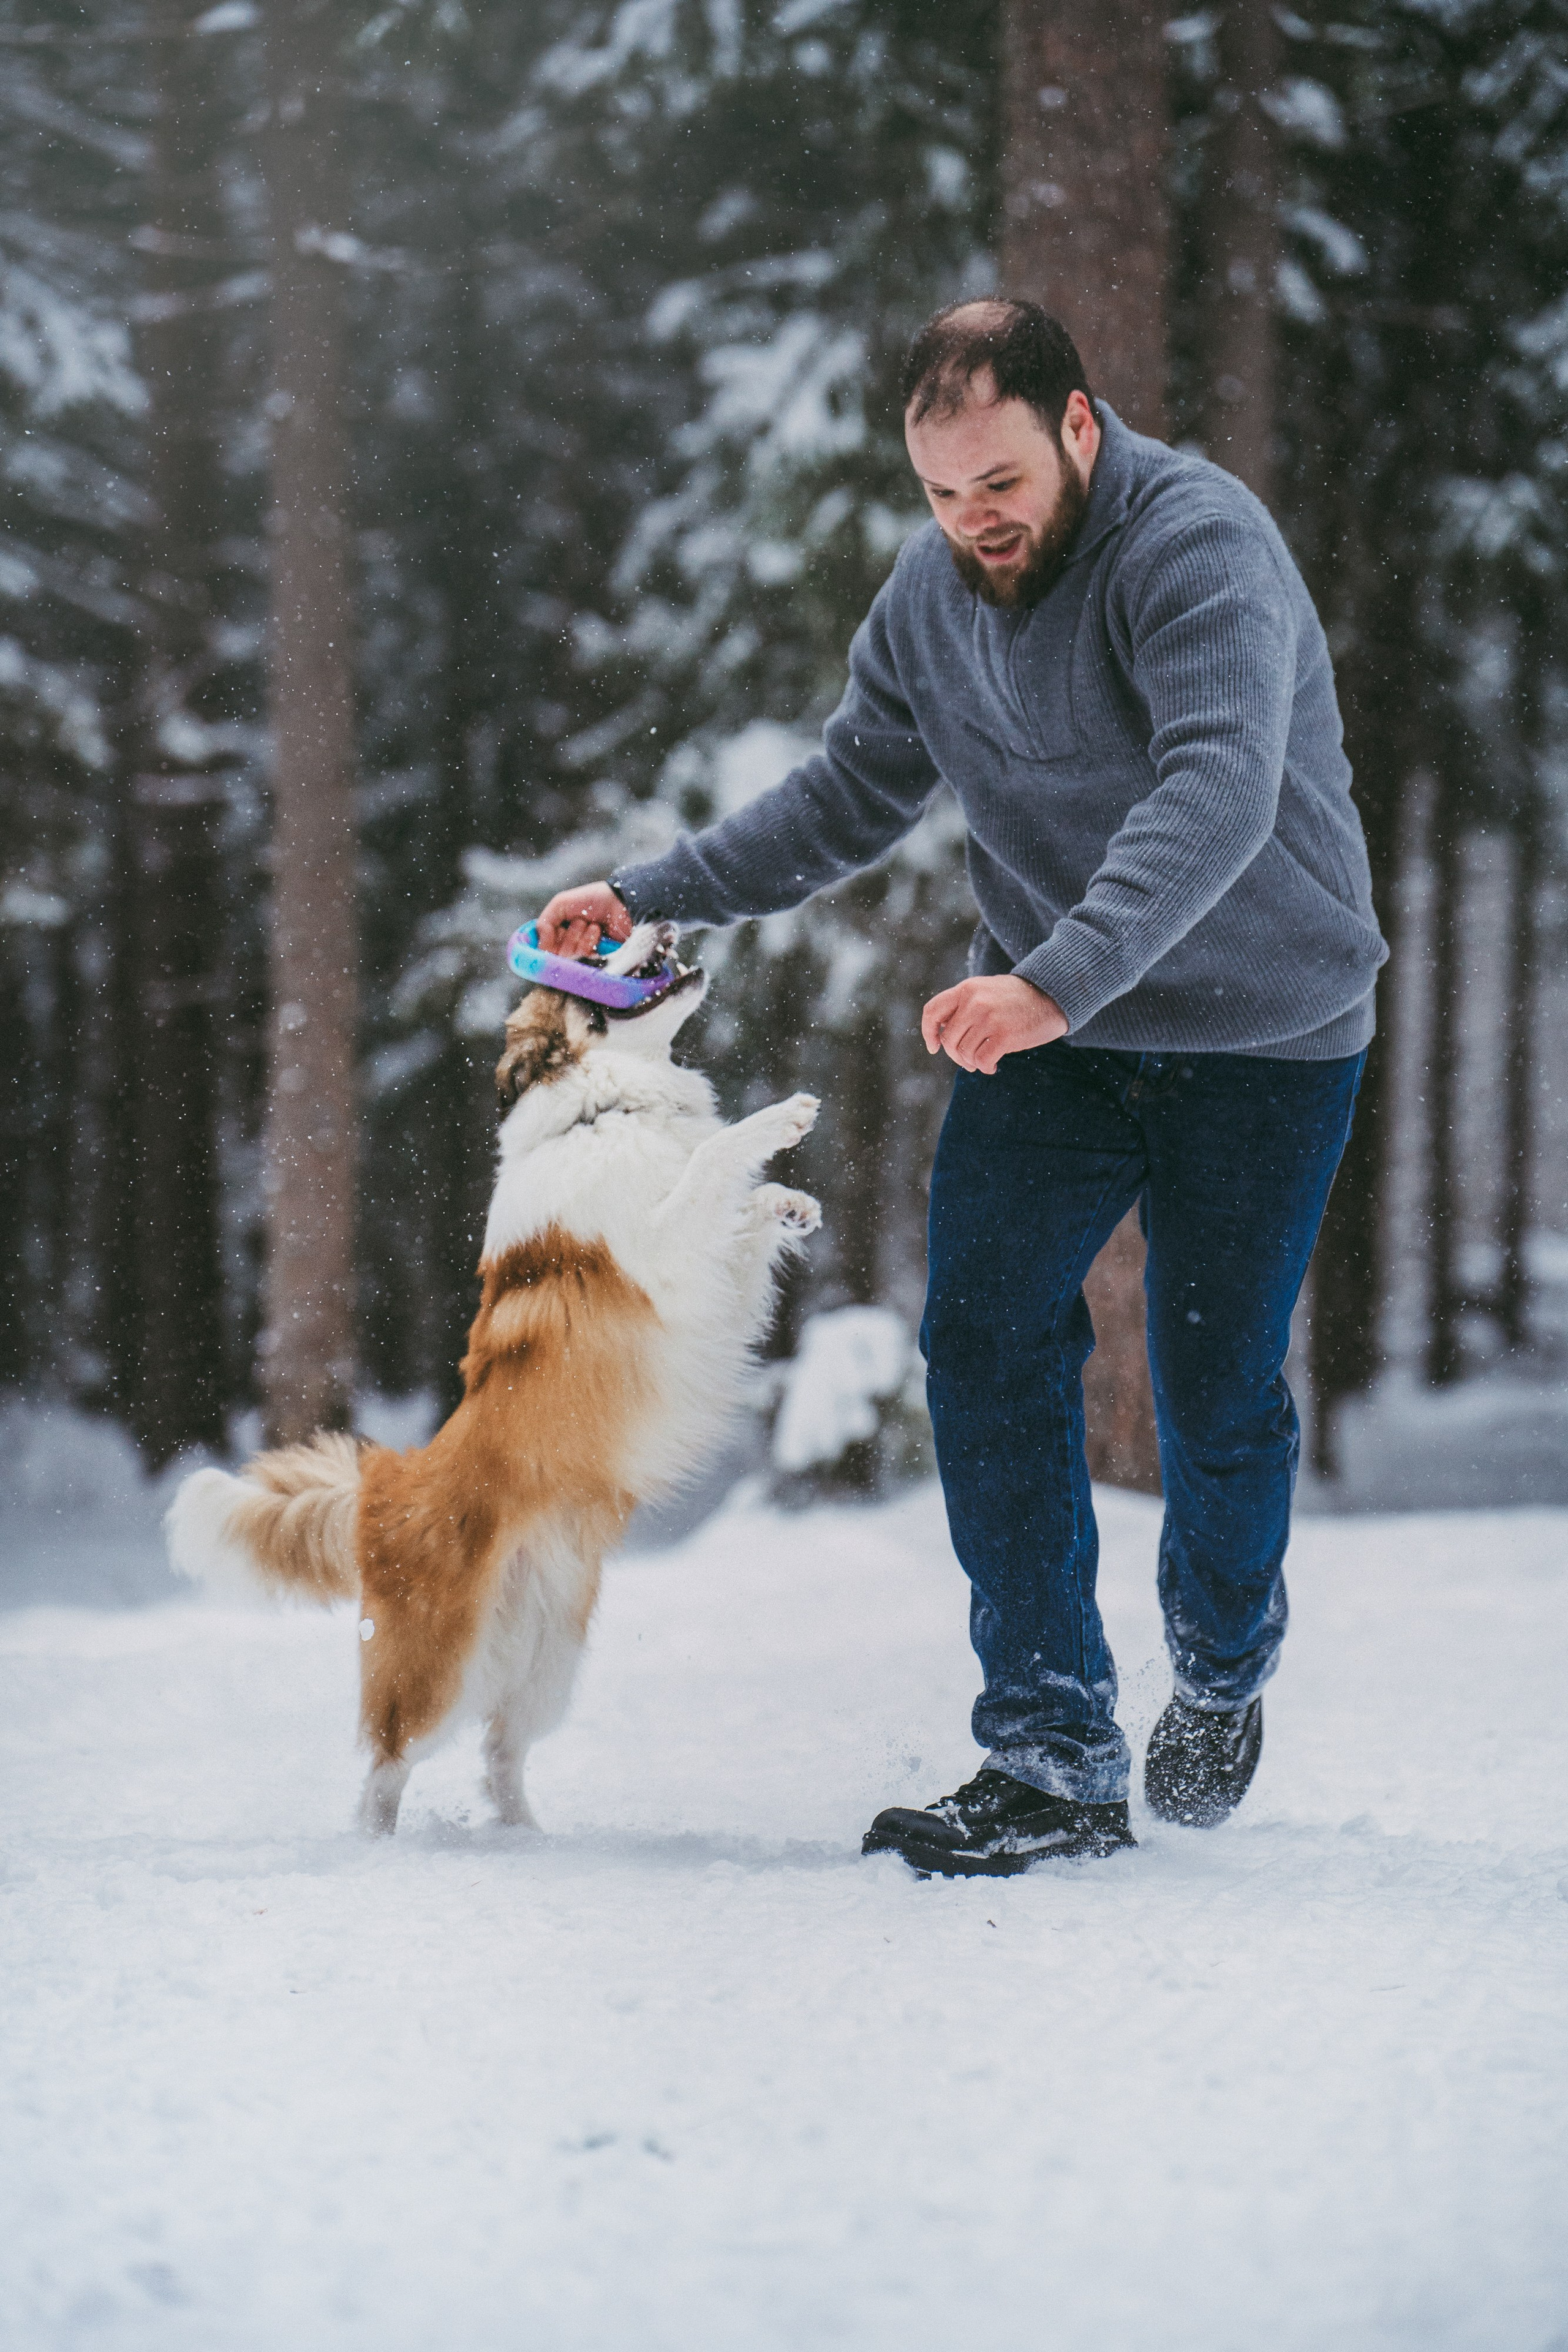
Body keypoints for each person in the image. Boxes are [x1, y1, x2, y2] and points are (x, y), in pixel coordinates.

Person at [535, 298, 1387, 1877]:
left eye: (996, 483)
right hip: (1056, 1035)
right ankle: (1055, 1752)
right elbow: (850, 790)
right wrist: (655, 894)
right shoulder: (935, 599)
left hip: (1265, 1034)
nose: (971, 522)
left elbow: (1219, 784)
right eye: (938, 493)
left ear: (1079, 426)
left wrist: (1055, 972)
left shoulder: (1198, 548)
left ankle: (1223, 1652)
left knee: (1218, 1397)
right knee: (985, 1342)